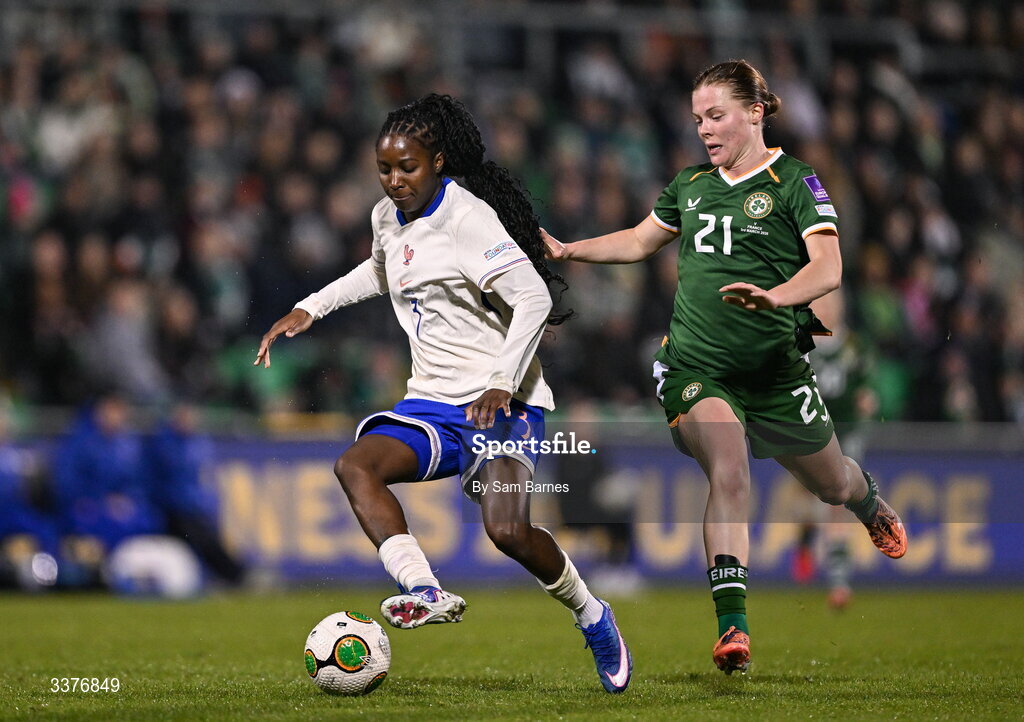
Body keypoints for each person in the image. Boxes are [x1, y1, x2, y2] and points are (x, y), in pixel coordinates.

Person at [256, 94, 632, 693]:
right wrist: (310, 307)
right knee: (356, 466)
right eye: (384, 168)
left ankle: (592, 614)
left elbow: (534, 297)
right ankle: (423, 589)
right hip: (431, 401)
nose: (395, 180)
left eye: (407, 168)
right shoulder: (387, 215)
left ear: (436, 162)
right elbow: (382, 268)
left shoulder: (467, 219)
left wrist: (501, 382)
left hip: (502, 402)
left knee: (507, 533)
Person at [542, 60, 907, 675]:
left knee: (832, 485)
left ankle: (868, 502)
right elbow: (637, 240)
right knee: (729, 464)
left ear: (755, 113)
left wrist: (777, 296)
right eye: (697, 120)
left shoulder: (796, 182)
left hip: (776, 374)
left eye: (716, 116)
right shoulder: (690, 184)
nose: (704, 130)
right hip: (697, 367)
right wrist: (571, 249)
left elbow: (828, 269)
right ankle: (732, 627)